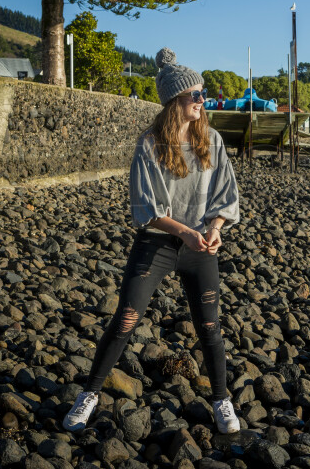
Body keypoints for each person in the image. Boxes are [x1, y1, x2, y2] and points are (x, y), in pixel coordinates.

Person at [63, 47, 241, 434]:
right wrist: (187, 233)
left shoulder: (211, 139)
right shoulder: (149, 144)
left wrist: (214, 230)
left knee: (209, 327)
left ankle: (221, 400)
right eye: (195, 94)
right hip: (157, 244)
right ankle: (89, 394)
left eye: (202, 93)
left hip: (200, 247)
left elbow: (225, 195)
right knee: (126, 318)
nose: (202, 100)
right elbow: (149, 208)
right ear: (175, 101)